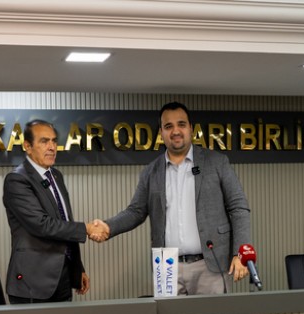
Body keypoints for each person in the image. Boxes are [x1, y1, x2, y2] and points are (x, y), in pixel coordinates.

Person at [92, 102, 251, 294]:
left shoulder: (217, 162)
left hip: (212, 266)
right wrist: (108, 227)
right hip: (167, 269)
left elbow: (238, 207)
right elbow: (136, 211)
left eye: (181, 124)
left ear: (191, 128)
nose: (175, 131)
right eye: (168, 126)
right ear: (161, 132)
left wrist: (240, 252)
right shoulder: (151, 171)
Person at [3, 120, 106, 303]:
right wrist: (87, 228)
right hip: (33, 284)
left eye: (54, 141)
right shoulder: (17, 180)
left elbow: (65, 221)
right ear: (28, 146)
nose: (52, 147)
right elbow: (42, 225)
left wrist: (77, 268)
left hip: (62, 277)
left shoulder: (56, 176)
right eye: (44, 141)